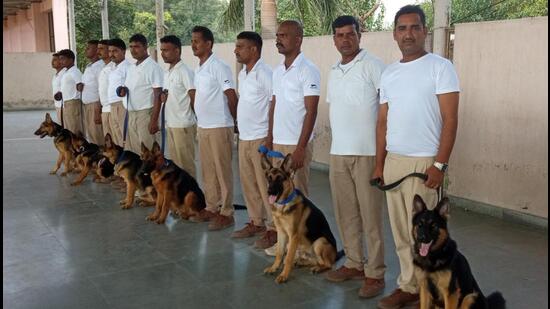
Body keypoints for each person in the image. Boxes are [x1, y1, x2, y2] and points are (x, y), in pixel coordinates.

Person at [373, 5, 460, 309]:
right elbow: (383, 122)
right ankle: (409, 286)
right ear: (395, 34)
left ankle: (433, 292)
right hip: (395, 162)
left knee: (428, 234)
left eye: (414, 27)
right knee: (402, 231)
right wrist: (379, 164)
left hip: (425, 166)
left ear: (425, 30)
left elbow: (451, 119)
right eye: (402, 28)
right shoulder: (390, 72)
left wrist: (439, 164)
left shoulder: (441, 67)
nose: (408, 34)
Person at [323, 15, 387, 299]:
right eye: (339, 35)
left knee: (370, 217)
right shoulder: (334, 70)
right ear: (334, 39)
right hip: (338, 153)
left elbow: (388, 111)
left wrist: (381, 159)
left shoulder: (374, 66)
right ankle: (353, 262)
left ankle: (375, 273)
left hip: (367, 155)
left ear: (360, 35)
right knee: (346, 213)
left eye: (350, 34)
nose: (345, 40)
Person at [263, 20, 321, 254]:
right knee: (279, 196)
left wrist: (300, 148)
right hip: (278, 142)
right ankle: (283, 244)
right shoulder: (278, 71)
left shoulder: (308, 70)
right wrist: (269, 138)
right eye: (277, 35)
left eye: (284, 35)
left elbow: (312, 110)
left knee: (298, 198)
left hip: (297, 144)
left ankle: (301, 249)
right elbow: (274, 104)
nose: (279, 39)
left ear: (298, 40)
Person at [188, 26, 238, 231]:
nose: (193, 44)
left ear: (208, 44)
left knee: (222, 171)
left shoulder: (219, 66)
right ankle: (211, 206)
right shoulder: (199, 68)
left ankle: (227, 212)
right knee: (208, 170)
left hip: (219, 126)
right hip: (204, 126)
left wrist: (236, 122)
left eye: (197, 41)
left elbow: (231, 95)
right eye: (192, 41)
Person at [231, 31, 275, 246]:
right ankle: (256, 221)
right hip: (245, 137)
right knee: (248, 183)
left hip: (260, 138)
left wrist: (269, 138)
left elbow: (273, 104)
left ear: (254, 49)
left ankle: (273, 227)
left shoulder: (265, 73)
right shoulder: (243, 74)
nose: (236, 50)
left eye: (240, 46)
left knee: (264, 184)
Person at [159, 35, 197, 177]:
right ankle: (180, 196)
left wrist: (196, 120)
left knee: (186, 165)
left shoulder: (185, 71)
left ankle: (192, 195)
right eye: (161, 50)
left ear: (177, 51)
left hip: (184, 125)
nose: (163, 53)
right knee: (175, 164)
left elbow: (193, 96)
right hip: (171, 124)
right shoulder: (167, 72)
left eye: (166, 50)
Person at [120, 34, 163, 154]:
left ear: (145, 47)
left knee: (149, 152)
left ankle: (152, 173)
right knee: (136, 151)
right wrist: (123, 91)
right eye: (131, 47)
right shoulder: (132, 67)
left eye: (137, 46)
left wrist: (154, 121)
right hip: (131, 113)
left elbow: (158, 95)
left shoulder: (153, 67)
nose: (133, 50)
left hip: (146, 114)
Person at [106, 38, 130, 146]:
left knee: (126, 138)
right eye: (110, 51)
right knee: (117, 139)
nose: (111, 54)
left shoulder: (128, 67)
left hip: (122, 106)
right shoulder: (113, 68)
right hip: (113, 106)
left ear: (123, 51)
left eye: (115, 51)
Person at [81, 40, 105, 145]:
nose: (86, 50)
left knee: (97, 137)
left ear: (96, 51)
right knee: (91, 137)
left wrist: (97, 109)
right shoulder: (90, 66)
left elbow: (102, 88)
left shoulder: (100, 66)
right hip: (87, 106)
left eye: (88, 48)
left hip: (95, 106)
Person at [57, 49, 83, 134]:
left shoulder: (75, 71)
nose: (61, 61)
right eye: (60, 59)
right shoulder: (66, 72)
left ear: (71, 59)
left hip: (73, 103)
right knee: (68, 129)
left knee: (74, 129)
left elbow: (80, 85)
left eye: (63, 58)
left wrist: (79, 87)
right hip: (66, 103)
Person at [97, 39, 115, 140]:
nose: (98, 51)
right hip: (105, 109)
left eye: (101, 49)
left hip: (113, 109)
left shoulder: (114, 67)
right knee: (108, 141)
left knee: (117, 141)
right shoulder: (104, 67)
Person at [51, 52, 66, 123]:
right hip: (58, 105)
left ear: (61, 61)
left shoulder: (64, 74)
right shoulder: (56, 75)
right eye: (52, 60)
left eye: (55, 60)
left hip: (64, 106)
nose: (52, 62)